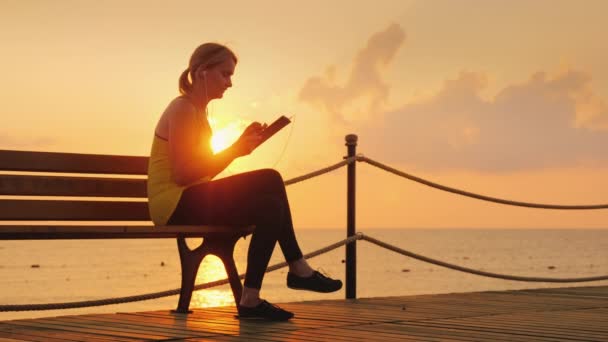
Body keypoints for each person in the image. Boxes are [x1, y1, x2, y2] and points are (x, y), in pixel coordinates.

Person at [147, 42, 342, 321]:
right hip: (172, 204)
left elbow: (202, 173)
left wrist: (240, 148)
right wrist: (236, 149)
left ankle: (250, 299)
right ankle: (298, 269)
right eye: (225, 74)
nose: (230, 83)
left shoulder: (199, 114)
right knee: (270, 178)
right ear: (202, 72)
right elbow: (181, 175)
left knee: (269, 207)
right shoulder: (182, 108)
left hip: (189, 198)